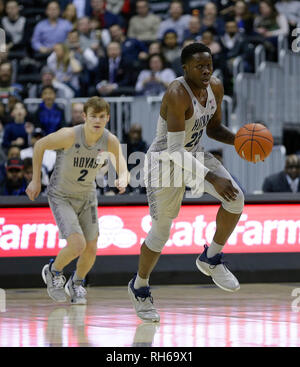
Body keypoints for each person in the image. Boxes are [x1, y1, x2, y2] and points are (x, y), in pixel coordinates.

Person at [128, 43, 244, 322]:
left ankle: (211, 258)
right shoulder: (178, 93)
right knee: (161, 231)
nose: (206, 71)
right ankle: (140, 286)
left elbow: (213, 128)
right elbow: (174, 150)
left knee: (236, 198)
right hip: (165, 161)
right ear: (185, 69)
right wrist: (211, 176)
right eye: (199, 66)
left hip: (192, 154)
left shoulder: (215, 87)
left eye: (209, 65)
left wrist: (239, 140)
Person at [26, 96, 129, 305]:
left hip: (87, 195)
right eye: (93, 116)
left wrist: (123, 179)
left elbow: (123, 168)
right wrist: (35, 181)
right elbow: (40, 146)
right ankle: (54, 271)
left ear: (108, 118)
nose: (97, 120)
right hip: (61, 195)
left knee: (91, 247)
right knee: (77, 244)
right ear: (85, 117)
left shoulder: (110, 140)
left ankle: (76, 283)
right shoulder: (69, 135)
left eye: (101, 116)